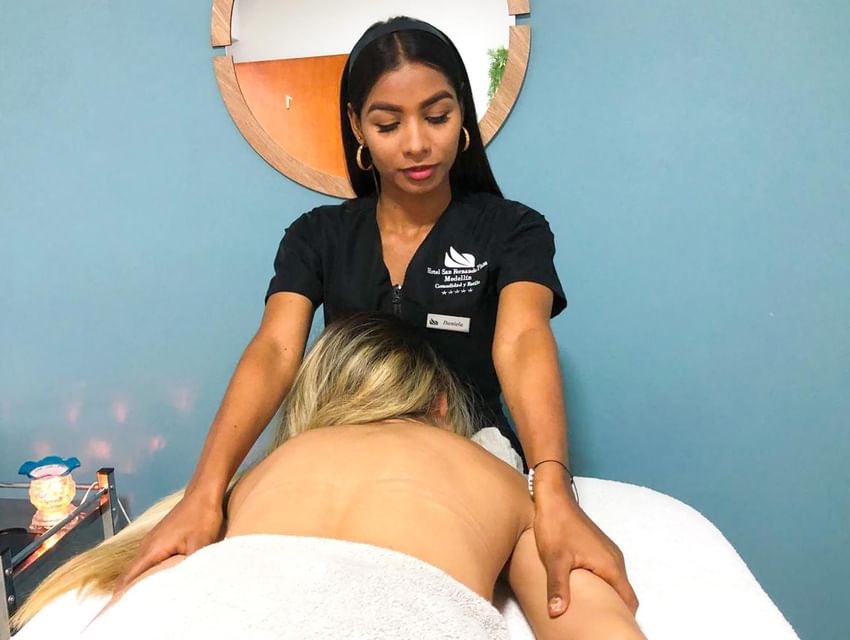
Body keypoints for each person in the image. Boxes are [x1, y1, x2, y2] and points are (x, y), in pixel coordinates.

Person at [118, 16, 637, 618]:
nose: (416, 143)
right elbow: (275, 351)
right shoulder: (319, 236)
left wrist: (553, 491)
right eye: (388, 124)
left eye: (438, 116)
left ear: (463, 117)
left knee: (562, 581)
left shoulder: (511, 229)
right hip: (340, 443)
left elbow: (521, 342)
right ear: (357, 127)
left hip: (469, 444)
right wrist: (204, 493)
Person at [13, 314, 645, 640]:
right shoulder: (492, 472)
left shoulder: (263, 473)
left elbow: (157, 592)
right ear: (443, 404)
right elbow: (583, 618)